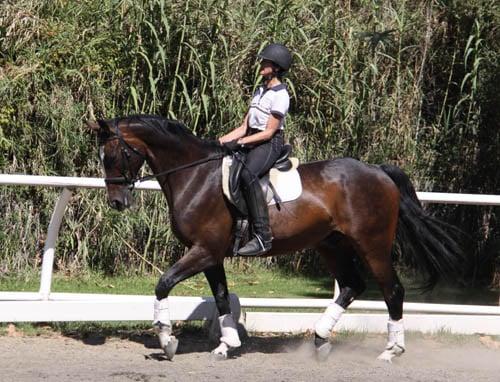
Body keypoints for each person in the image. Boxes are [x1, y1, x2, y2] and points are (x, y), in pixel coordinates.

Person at [219, 43, 292, 256]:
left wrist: (241, 143)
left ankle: (262, 236)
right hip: (252, 138)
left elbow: (269, 132)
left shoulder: (281, 95)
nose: (261, 64)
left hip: (270, 143)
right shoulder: (260, 91)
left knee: (248, 175)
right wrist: (220, 141)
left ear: (276, 67)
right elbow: (244, 126)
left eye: (265, 62)